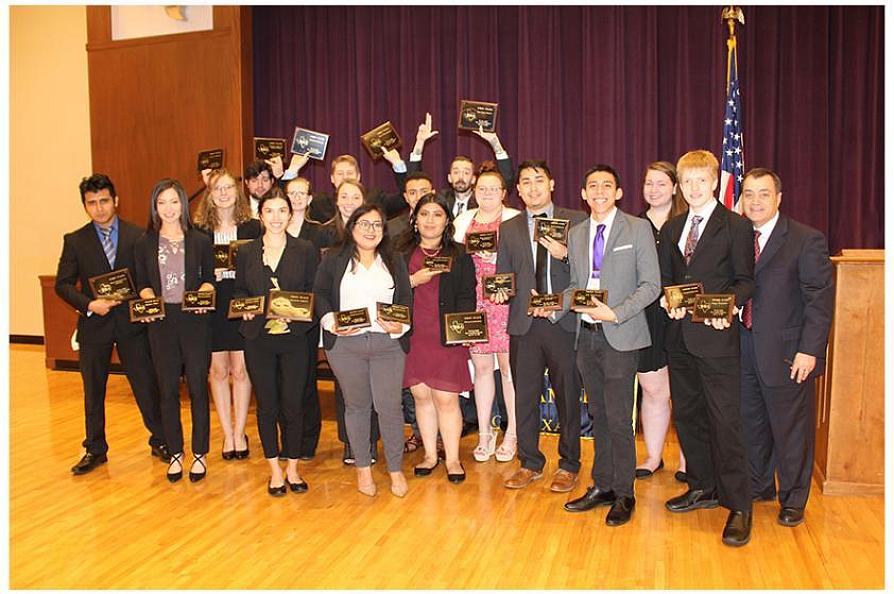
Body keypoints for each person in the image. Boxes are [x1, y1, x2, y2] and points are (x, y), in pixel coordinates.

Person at [657, 149, 754, 546]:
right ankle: (702, 486)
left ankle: (739, 505)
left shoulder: (736, 225)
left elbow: (745, 281)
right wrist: (667, 300)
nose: (694, 188)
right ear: (679, 185)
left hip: (716, 338)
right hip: (679, 339)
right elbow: (669, 279)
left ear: (715, 182)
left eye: (701, 180)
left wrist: (727, 308)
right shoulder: (673, 226)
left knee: (725, 422)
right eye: (687, 181)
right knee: (690, 417)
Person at [553, 164, 660, 527]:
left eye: (607, 185)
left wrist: (615, 314)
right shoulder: (578, 233)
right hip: (587, 337)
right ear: (583, 194)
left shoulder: (638, 228)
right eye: (592, 185)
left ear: (618, 192)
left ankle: (625, 492)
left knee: (619, 418)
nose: (599, 190)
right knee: (598, 415)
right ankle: (602, 486)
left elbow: (651, 286)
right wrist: (551, 307)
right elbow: (575, 286)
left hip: (621, 334)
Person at [739, 168, 833, 527]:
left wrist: (810, 350)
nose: (756, 201)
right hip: (743, 347)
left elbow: (819, 300)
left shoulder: (805, 239)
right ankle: (759, 485)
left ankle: (793, 497)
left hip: (789, 353)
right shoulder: (737, 237)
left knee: (791, 429)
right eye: (749, 194)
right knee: (752, 423)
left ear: (779, 198)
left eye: (763, 194)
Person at [56, 174, 168, 475]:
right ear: (85, 206)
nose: (99, 208)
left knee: (145, 384)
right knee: (93, 390)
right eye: (92, 203)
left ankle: (161, 440)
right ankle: (95, 449)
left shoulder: (138, 236)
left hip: (133, 324)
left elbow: (149, 277)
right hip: (95, 325)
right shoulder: (75, 240)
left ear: (115, 201)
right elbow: (63, 285)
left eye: (104, 201)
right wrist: (89, 304)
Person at [492, 160, 587, 493]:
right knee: (525, 398)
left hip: (563, 322)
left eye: (538, 180)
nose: (532, 187)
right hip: (525, 324)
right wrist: (502, 291)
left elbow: (590, 271)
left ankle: (569, 464)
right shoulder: (511, 226)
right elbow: (504, 275)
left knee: (568, 397)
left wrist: (564, 254)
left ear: (552, 184)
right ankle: (529, 462)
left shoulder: (576, 220)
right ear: (517, 190)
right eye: (525, 182)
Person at [313, 204, 413, 497]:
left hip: (387, 345)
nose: (371, 230)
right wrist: (331, 321)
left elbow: (406, 299)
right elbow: (319, 294)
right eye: (364, 224)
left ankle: (395, 470)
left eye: (377, 225)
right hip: (346, 345)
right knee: (357, 407)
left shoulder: (394, 259)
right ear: (352, 227)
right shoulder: (334, 258)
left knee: (389, 407)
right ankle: (363, 469)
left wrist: (401, 327)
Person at [233, 191, 320, 496]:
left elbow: (314, 293)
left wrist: (295, 317)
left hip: (295, 339)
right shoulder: (246, 252)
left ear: (290, 213)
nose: (276, 217)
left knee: (293, 405)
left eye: (282, 210)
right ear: (261, 215)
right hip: (259, 339)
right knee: (267, 406)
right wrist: (244, 307)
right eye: (269, 210)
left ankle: (293, 468)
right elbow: (240, 292)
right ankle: (273, 470)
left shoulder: (305, 249)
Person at [134, 179, 215, 483]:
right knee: (167, 389)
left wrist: (203, 294)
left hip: (194, 320)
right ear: (155, 207)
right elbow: (141, 282)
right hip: (161, 322)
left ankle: (199, 453)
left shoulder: (200, 240)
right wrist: (148, 299)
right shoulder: (144, 243)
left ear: (183, 204)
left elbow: (210, 279)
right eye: (162, 203)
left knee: (197, 385)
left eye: (174, 202)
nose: (169, 209)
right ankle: (176, 451)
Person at [397, 194, 477, 483]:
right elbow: (389, 290)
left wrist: (463, 330)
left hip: (446, 336)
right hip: (413, 335)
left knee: (446, 398)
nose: (430, 220)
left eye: (437, 214)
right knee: (421, 396)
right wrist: (412, 282)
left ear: (447, 221)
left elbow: (468, 294)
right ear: (414, 220)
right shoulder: (400, 253)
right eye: (425, 214)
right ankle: (430, 455)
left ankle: (453, 459)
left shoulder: (460, 253)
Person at [453, 171, 521, 462]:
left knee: (508, 371)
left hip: (505, 301)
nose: (488, 192)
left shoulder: (515, 219)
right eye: (483, 188)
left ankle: (513, 433)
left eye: (494, 188)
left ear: (504, 192)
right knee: (481, 370)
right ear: (474, 190)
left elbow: (525, 262)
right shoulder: (462, 221)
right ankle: (484, 432)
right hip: (475, 302)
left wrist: (500, 259)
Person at [319, 179, 382, 463]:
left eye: (355, 196)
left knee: (374, 389)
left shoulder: (380, 241)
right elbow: (320, 290)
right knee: (347, 391)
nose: (349, 201)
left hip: (378, 332)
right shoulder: (328, 242)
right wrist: (332, 322)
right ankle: (351, 443)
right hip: (342, 332)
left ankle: (370, 441)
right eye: (344, 196)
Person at [193, 168, 254, 461]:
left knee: (241, 371)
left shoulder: (253, 228)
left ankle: (240, 432)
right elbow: (193, 271)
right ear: (209, 194)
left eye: (229, 187)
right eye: (218, 188)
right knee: (218, 371)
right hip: (212, 306)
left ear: (237, 191)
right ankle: (226, 433)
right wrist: (209, 275)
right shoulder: (199, 233)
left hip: (240, 303)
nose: (224, 193)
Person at [634, 162, 688, 481]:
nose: (654, 189)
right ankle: (653, 456)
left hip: (680, 315)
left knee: (684, 390)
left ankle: (688, 459)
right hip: (645, 316)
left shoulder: (687, 224)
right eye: (648, 183)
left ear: (675, 187)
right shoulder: (633, 225)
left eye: (661, 183)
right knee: (652, 388)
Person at [284, 177, 327, 459]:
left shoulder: (319, 233)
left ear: (310, 198)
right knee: (281, 382)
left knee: (306, 380)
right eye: (292, 193)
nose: (297, 197)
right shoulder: (272, 228)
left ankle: (308, 440)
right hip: (274, 319)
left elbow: (320, 279)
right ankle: (286, 439)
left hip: (305, 318)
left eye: (303, 193)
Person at [406, 112, 516, 216]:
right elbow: (414, 181)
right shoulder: (441, 199)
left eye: (466, 172)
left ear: (473, 179)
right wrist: (419, 143)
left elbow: (506, 182)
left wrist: (495, 143)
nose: (461, 177)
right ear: (449, 177)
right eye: (456, 172)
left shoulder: (482, 198)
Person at [287, 151, 410, 224]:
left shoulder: (375, 198)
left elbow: (406, 198)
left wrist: (398, 164)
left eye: (350, 173)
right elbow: (285, 202)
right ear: (332, 179)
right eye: (340, 173)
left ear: (358, 176)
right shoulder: (320, 203)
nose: (345, 177)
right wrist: (292, 170)